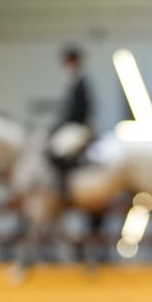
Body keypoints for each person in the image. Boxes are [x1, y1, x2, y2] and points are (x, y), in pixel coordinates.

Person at [46, 44, 95, 205]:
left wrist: (63, 124)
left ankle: (65, 187)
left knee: (59, 151)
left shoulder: (82, 82)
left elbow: (80, 109)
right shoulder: (74, 82)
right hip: (72, 125)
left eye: (68, 61)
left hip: (78, 126)